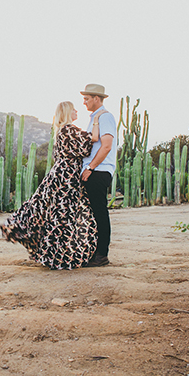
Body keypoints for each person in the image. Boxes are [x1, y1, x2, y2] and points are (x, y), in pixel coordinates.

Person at [0, 101, 101, 269]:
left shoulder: (60, 131)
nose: (77, 111)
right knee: (66, 216)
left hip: (59, 174)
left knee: (57, 215)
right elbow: (93, 139)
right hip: (67, 176)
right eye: (74, 109)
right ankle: (63, 257)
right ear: (68, 112)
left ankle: (57, 256)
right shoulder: (69, 129)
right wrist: (96, 120)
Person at [80, 84, 116, 267]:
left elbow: (107, 145)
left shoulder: (105, 117)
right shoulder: (95, 118)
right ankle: (95, 253)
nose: (84, 102)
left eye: (87, 98)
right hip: (95, 170)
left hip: (99, 171)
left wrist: (91, 167)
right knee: (94, 213)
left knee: (99, 212)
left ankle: (101, 255)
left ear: (96, 98)